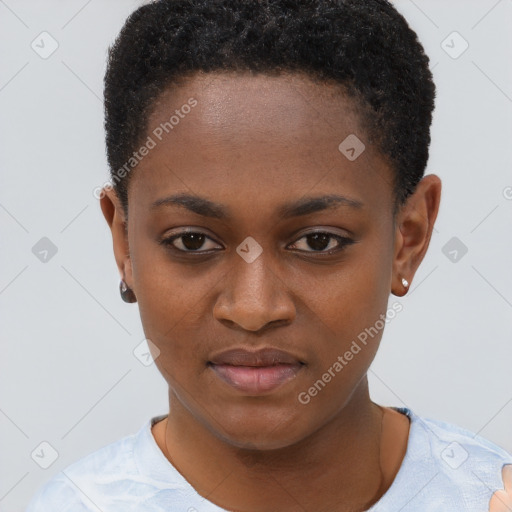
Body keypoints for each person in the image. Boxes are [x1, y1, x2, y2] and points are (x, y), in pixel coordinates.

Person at [26, 0, 512, 510]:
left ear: (407, 239)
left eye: (318, 241)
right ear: (124, 243)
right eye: (192, 241)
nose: (253, 309)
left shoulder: (484, 497)